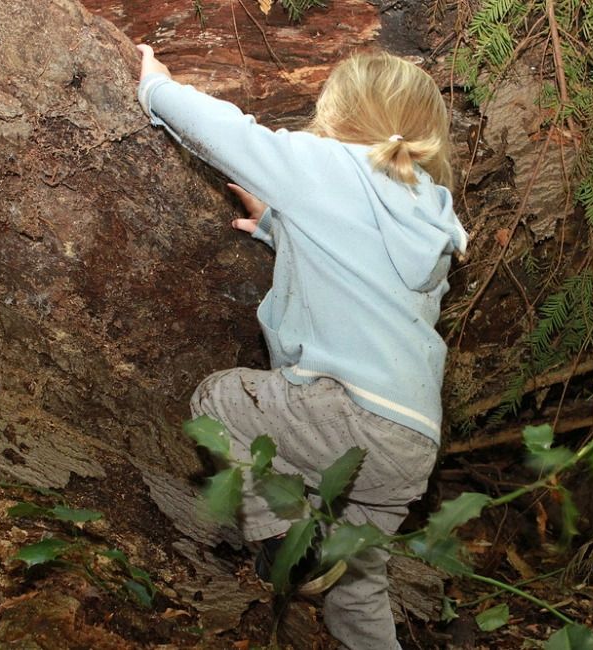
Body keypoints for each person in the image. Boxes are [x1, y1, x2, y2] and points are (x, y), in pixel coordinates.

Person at [137, 44, 468, 650]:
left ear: (335, 116)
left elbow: (234, 137)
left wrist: (158, 89)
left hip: (347, 414)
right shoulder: (431, 218)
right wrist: (278, 226)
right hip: (411, 442)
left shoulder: (332, 165)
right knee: (359, 591)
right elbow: (364, 278)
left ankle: (290, 544)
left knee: (220, 401)